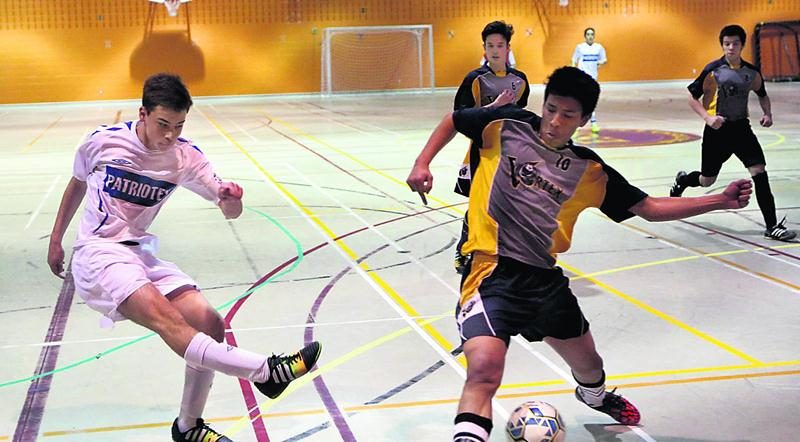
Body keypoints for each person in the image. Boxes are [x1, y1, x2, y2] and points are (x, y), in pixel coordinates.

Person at [406, 66, 752, 442]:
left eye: (568, 115)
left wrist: (718, 200)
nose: (554, 121)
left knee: (590, 366)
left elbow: (649, 207)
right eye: (551, 108)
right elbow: (453, 120)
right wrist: (421, 163)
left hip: (544, 283)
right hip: (489, 274)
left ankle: (594, 395)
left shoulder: (590, 171)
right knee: (485, 370)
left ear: (584, 119)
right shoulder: (505, 125)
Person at [47, 73, 322, 442]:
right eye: (163, 124)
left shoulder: (184, 156)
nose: (169, 135)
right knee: (169, 322)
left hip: (142, 254)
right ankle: (266, 372)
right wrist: (55, 238)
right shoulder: (103, 142)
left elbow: (229, 211)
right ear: (142, 114)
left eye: (178, 126)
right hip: (98, 255)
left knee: (209, 322)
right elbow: (77, 182)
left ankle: (188, 427)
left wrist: (232, 198)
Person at [670, 24, 796, 241]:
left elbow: (762, 94)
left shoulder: (751, 72)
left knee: (759, 172)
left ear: (742, 45)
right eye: (726, 44)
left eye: (735, 44)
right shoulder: (713, 70)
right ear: (722, 45)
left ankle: (772, 226)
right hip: (717, 132)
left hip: (741, 129)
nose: (730, 48)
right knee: (706, 180)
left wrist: (768, 114)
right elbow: (692, 97)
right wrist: (708, 118)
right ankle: (683, 180)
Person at [452, 20, 530, 275]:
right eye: (490, 45)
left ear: (508, 48)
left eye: (500, 45)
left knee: (508, 201)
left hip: (509, 150)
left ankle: (506, 250)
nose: (495, 50)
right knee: (478, 202)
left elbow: (522, 114)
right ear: (484, 49)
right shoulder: (475, 79)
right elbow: (460, 115)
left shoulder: (520, 80)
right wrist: (492, 107)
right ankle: (464, 249)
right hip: (481, 149)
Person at [571, 27, 607, 133]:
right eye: (588, 34)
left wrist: (600, 63)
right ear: (585, 36)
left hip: (593, 78)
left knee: (591, 101)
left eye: (592, 34)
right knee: (579, 102)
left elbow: (604, 59)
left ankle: (593, 123)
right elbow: (574, 59)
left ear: (594, 36)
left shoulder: (599, 48)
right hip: (582, 79)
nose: (590, 36)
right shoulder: (580, 47)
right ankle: (576, 125)